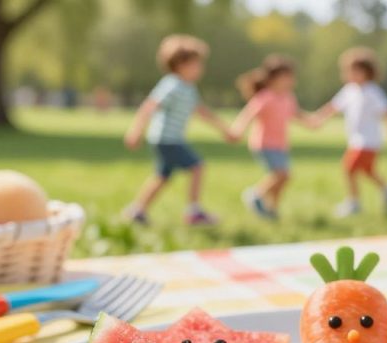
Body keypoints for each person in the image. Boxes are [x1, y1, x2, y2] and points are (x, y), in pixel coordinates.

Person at [123, 35, 230, 226]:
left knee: (162, 176)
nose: (201, 68)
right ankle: (193, 212)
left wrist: (224, 130)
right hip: (167, 139)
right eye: (196, 64)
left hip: (169, 139)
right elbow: (149, 106)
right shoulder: (172, 84)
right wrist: (135, 130)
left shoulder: (188, 88)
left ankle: (137, 211)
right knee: (197, 166)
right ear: (181, 64)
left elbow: (202, 111)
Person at [314, 47, 387, 218]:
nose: (348, 75)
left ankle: (353, 203)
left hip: (368, 141)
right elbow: (333, 106)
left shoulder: (372, 91)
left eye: (352, 71)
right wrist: (318, 119)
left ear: (365, 72)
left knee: (348, 168)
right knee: (368, 171)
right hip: (355, 140)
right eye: (346, 71)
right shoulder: (349, 90)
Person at [229, 55, 316, 220]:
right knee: (282, 175)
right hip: (264, 144)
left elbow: (296, 113)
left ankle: (272, 210)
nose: (290, 81)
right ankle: (255, 194)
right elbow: (249, 114)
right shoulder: (265, 97)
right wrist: (238, 130)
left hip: (281, 145)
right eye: (286, 77)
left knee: (281, 180)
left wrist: (310, 122)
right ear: (273, 79)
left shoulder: (288, 97)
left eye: (291, 77)